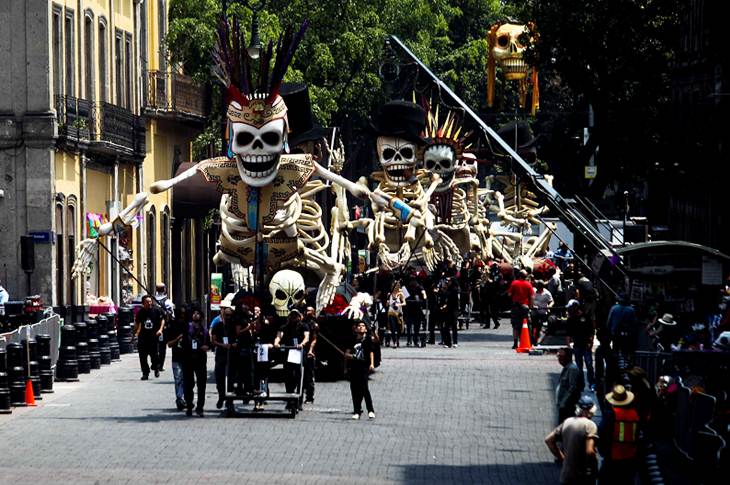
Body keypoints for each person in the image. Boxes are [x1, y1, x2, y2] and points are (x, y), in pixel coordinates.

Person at [545, 395, 600, 485]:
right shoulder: (590, 425)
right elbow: (589, 451)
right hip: (584, 477)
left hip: (566, 476)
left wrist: (563, 459)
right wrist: (595, 467)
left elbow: (549, 440)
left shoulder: (568, 422)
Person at [598, 385, 639, 484]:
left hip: (613, 456)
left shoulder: (611, 415)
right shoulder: (634, 415)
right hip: (630, 456)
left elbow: (602, 432)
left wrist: (602, 450)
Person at [274, 309, 310, 409]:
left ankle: (299, 401)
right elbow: (279, 335)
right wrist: (276, 342)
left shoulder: (304, 326)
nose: (294, 317)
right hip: (288, 353)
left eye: (296, 315)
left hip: (299, 353)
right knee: (288, 377)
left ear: (299, 317)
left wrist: (302, 344)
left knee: (299, 377)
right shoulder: (284, 327)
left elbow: (306, 337)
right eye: (292, 315)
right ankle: (290, 400)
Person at [181, 306, 210, 417]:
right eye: (194, 313)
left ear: (201, 316)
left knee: (201, 384)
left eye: (198, 313)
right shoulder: (187, 328)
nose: (196, 315)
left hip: (201, 359)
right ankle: (189, 405)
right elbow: (185, 342)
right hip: (188, 359)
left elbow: (209, 344)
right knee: (188, 384)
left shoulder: (204, 331)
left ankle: (200, 407)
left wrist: (207, 347)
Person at [345, 321, 376, 420]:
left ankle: (370, 410)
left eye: (363, 326)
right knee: (354, 390)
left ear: (365, 329)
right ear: (356, 328)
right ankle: (357, 411)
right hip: (354, 367)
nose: (361, 327)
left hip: (364, 367)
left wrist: (372, 364)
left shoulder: (368, 339)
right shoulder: (352, 339)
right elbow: (346, 354)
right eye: (359, 326)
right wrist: (351, 357)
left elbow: (371, 352)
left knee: (364, 388)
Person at [566, 299, 596, 391]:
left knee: (589, 365)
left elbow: (591, 331)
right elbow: (568, 333)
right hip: (577, 346)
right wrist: (568, 345)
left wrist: (591, 342)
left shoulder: (586, 317)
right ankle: (581, 385)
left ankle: (592, 384)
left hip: (586, 345)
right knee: (579, 367)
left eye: (570, 308)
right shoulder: (570, 319)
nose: (569, 310)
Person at [133, 295, 164, 380]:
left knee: (154, 356)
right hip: (143, 337)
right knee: (142, 357)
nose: (149, 303)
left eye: (150, 301)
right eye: (147, 302)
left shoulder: (156, 310)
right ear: (143, 303)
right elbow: (137, 324)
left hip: (153, 337)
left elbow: (162, 320)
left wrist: (160, 330)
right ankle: (145, 373)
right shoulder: (140, 312)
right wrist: (133, 335)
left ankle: (156, 367)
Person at [210, 305, 234, 409]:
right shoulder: (217, 325)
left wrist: (232, 344)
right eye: (227, 315)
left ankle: (229, 400)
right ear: (223, 315)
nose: (228, 317)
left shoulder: (233, 325)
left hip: (231, 353)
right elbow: (213, 341)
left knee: (231, 377)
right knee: (219, 377)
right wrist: (222, 345)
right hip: (221, 353)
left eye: (230, 315)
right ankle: (221, 396)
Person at [166, 304, 189, 411]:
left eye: (184, 315)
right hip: (177, 357)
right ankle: (180, 399)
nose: (182, 317)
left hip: (188, 357)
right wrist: (178, 338)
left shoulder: (189, 326)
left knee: (188, 379)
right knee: (178, 378)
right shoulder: (173, 326)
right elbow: (169, 344)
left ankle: (187, 399)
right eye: (181, 315)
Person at [556, 347, 585, 424]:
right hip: (563, 406)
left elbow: (572, 388)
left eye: (561, 356)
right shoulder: (567, 368)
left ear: (568, 357)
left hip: (568, 407)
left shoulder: (572, 369)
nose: (559, 359)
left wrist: (564, 403)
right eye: (558, 356)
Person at [507, 270, 534, 349]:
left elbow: (509, 294)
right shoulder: (528, 284)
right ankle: (528, 341)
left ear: (519, 275)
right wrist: (531, 307)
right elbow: (532, 297)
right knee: (526, 324)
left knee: (515, 325)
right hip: (525, 307)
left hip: (516, 306)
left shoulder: (514, 283)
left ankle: (515, 343)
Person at [154, 283, 175, 372]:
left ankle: (155, 362)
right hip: (164, 327)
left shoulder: (152, 300)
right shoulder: (168, 302)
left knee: (154, 345)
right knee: (162, 347)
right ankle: (160, 364)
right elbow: (172, 315)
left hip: (153, 327)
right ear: (165, 289)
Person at [302, 306, 318, 403]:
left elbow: (314, 339)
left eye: (309, 310)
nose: (307, 312)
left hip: (309, 352)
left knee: (309, 375)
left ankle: (309, 396)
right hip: (301, 350)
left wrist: (310, 350)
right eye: (306, 310)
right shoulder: (301, 323)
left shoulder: (314, 325)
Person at [531, 280, 554, 345]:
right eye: (538, 287)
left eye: (540, 287)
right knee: (533, 326)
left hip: (542, 312)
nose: (539, 289)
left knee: (540, 326)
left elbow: (552, 301)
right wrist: (532, 305)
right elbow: (530, 299)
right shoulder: (533, 291)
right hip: (534, 312)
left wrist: (549, 306)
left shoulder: (547, 293)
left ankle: (537, 340)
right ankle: (532, 339)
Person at [441, 277, 461, 348]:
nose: (448, 282)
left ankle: (455, 342)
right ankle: (448, 342)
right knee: (446, 326)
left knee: (454, 326)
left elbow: (450, 297)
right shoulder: (448, 289)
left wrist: (444, 291)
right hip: (448, 310)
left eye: (449, 281)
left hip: (454, 309)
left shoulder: (455, 290)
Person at [387, 283, 405, 348]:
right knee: (393, 328)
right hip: (391, 313)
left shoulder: (400, 294)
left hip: (398, 313)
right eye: (395, 286)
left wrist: (399, 304)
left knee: (399, 328)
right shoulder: (389, 294)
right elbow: (387, 304)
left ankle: (397, 339)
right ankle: (394, 342)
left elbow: (404, 303)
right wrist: (387, 303)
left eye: (397, 286)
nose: (396, 287)